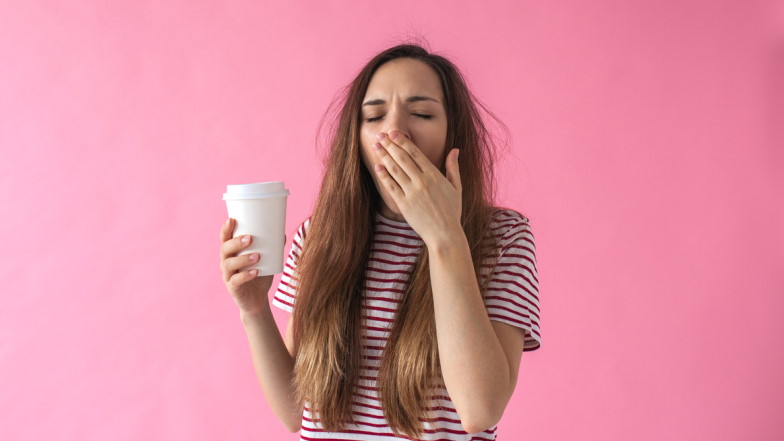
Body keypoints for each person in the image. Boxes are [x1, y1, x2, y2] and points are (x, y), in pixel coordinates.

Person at [218, 42, 541, 441]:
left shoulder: (504, 238)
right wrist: (253, 310)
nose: (394, 132)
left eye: (422, 113)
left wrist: (445, 237)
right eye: (374, 116)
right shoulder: (318, 237)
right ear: (356, 139)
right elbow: (298, 413)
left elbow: (479, 409)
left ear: (453, 135)